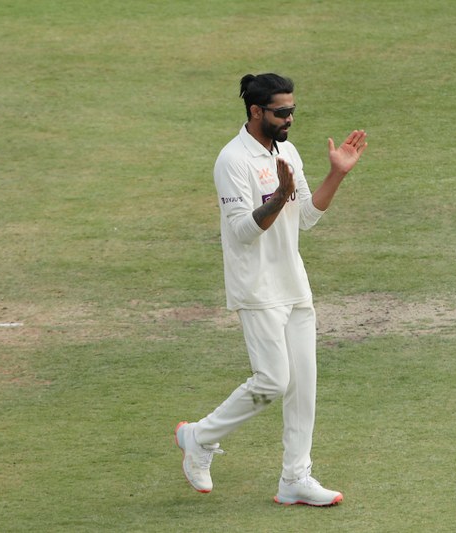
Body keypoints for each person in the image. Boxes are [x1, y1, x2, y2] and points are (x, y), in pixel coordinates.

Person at [175, 73, 367, 506]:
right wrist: (279, 196)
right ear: (256, 111)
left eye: (293, 111)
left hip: (294, 284)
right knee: (273, 381)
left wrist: (336, 175)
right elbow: (243, 231)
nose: (289, 119)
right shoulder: (232, 160)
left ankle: (295, 478)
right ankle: (197, 437)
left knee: (303, 385)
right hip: (257, 288)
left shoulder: (288, 151)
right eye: (281, 112)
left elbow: (307, 218)